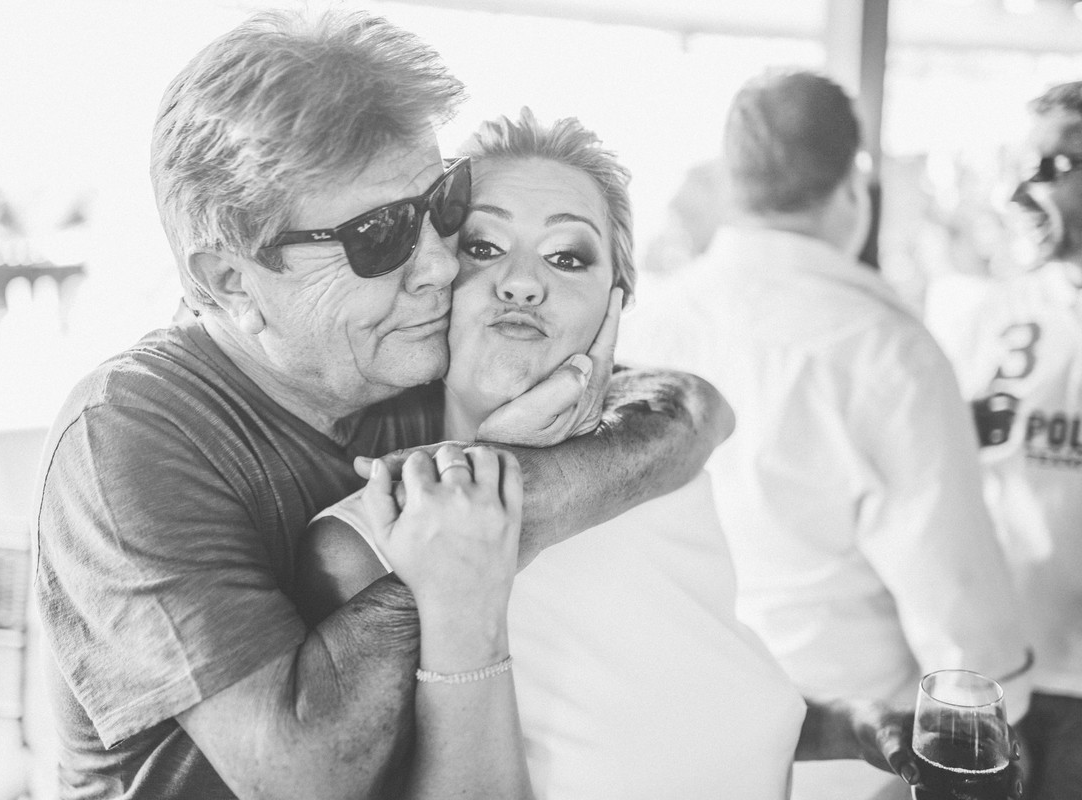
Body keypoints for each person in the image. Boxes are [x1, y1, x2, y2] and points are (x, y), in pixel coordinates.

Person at [33, 10, 732, 799]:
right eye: (380, 235)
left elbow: (687, 408)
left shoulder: (408, 354)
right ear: (232, 282)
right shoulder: (130, 434)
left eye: (441, 203)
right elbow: (303, 775)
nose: (440, 264)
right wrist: (483, 518)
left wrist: (496, 491)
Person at [300, 108, 932, 800]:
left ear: (615, 305)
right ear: (431, 280)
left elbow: (678, 709)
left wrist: (848, 723)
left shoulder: (658, 471)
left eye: (567, 256)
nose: (522, 282)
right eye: (483, 246)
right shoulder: (367, 545)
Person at [619, 69, 1033, 800]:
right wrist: (998, 717)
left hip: (669, 736)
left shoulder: (646, 325)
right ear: (855, 183)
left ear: (733, 181)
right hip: (855, 761)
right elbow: (957, 604)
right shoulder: (886, 351)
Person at [925, 80, 1082, 800]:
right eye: (1021, 166)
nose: (1020, 191)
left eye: (1052, 168)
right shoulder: (987, 315)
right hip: (992, 678)